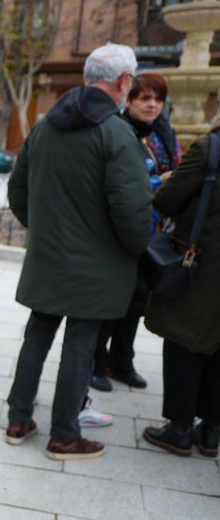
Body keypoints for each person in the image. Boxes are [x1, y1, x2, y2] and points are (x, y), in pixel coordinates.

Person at [3, 43, 152, 460]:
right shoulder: (115, 132)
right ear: (124, 81)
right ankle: (65, 435)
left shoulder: (45, 125)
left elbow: (17, 191)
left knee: (37, 336)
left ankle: (18, 419)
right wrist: (133, 248)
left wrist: (44, 230)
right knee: (81, 345)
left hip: (49, 257)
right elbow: (132, 207)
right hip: (97, 265)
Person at [90, 72, 183, 394]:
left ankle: (122, 361)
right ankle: (96, 363)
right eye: (145, 98)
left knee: (136, 301)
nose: (152, 105)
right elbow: (117, 181)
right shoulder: (118, 131)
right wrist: (160, 181)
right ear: (129, 101)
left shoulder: (164, 133)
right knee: (111, 301)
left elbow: (178, 167)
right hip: (119, 231)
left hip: (153, 232)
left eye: (158, 99)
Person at [141, 114, 220, 457]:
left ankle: (179, 429)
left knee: (183, 340)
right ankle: (212, 431)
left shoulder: (210, 148)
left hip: (202, 265)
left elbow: (167, 200)